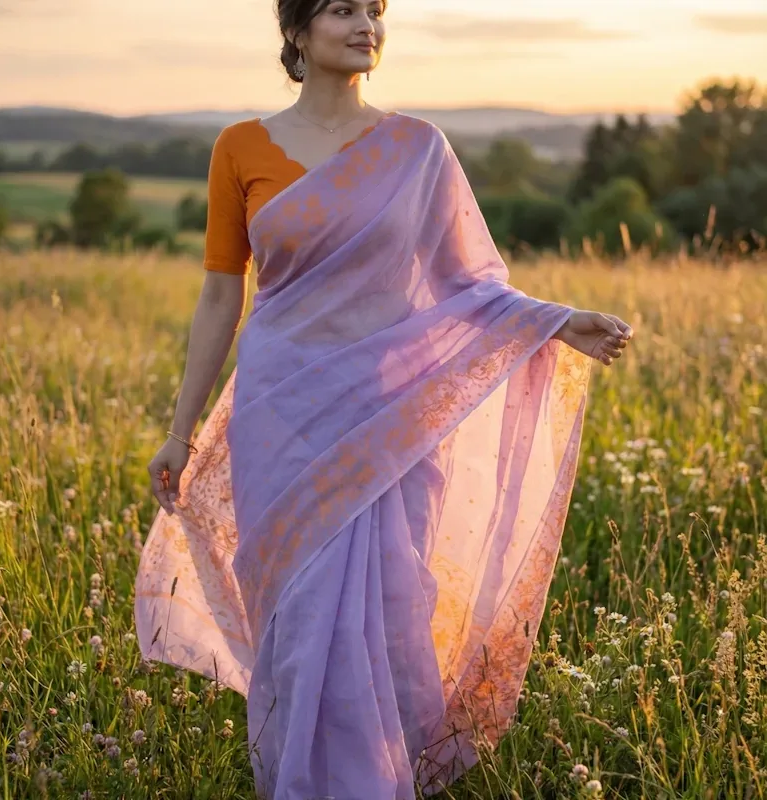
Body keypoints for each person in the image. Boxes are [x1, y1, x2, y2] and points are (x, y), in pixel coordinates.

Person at [135, 0, 633, 797]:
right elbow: (220, 297)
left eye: (375, 10)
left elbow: (471, 282)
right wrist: (180, 430)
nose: (366, 24)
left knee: (394, 607)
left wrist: (554, 322)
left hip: (387, 415)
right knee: (297, 614)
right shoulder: (240, 148)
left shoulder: (418, 150)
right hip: (281, 410)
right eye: (342, 9)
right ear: (296, 32)